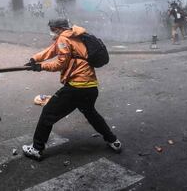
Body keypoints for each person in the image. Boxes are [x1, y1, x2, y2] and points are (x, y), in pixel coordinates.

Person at [22, 18, 121, 160]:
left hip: (76, 87)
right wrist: (34, 59)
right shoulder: (73, 36)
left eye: (52, 29)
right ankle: (113, 141)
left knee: (48, 113)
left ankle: (36, 148)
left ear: (57, 29)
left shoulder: (63, 39)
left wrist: (41, 66)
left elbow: (60, 64)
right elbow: (51, 50)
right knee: (91, 114)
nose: (51, 32)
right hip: (91, 86)